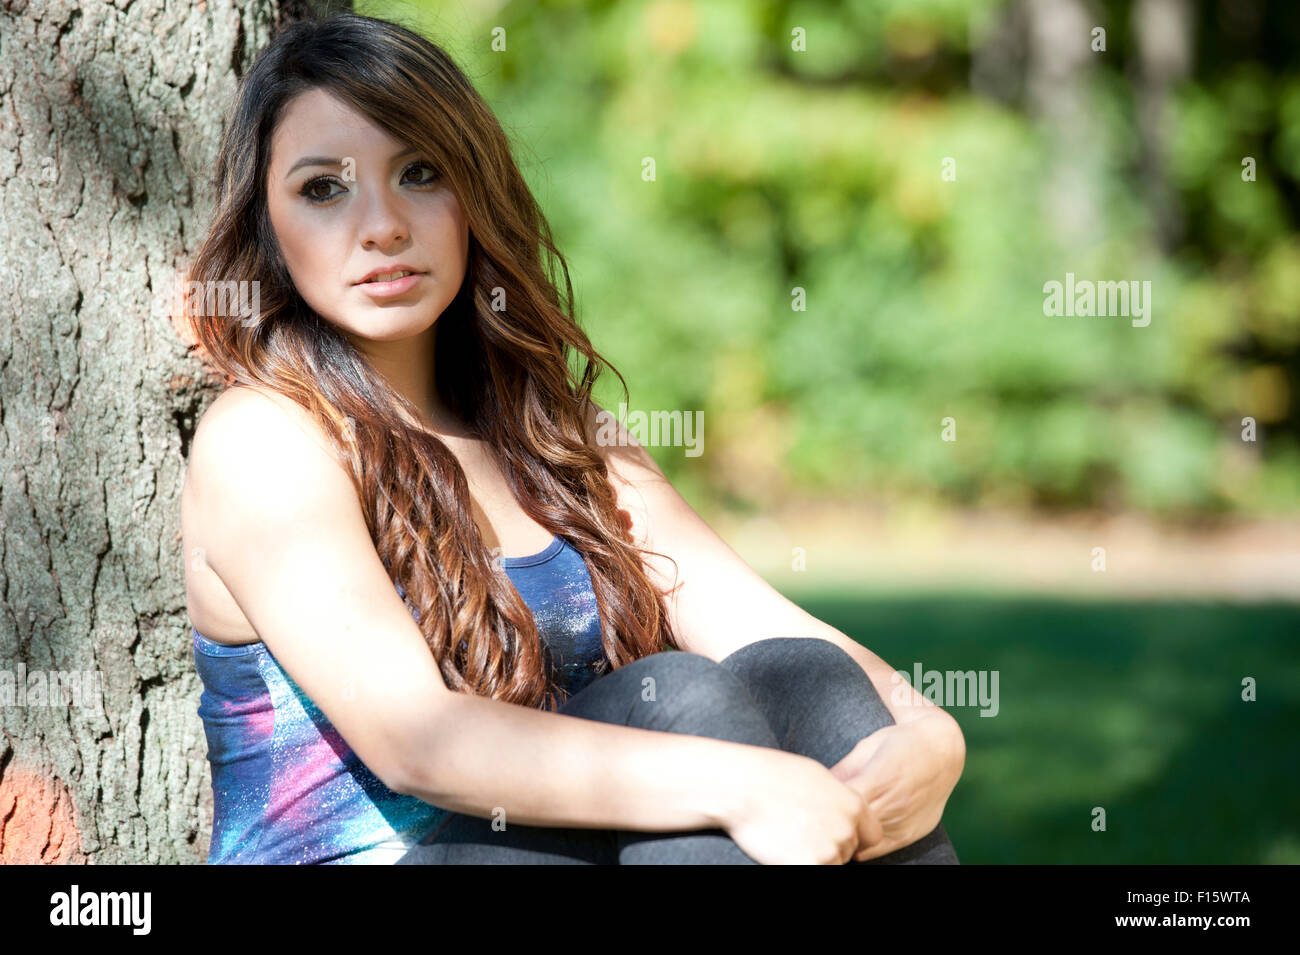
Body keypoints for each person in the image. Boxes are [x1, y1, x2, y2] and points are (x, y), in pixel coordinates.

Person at [180, 13, 964, 865]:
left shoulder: (556, 435)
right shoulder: (264, 441)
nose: (382, 226)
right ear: (266, 225)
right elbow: (418, 742)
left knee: (806, 680)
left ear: (473, 194)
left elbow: (772, 629)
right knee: (682, 703)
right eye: (322, 188)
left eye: (420, 173)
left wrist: (930, 739)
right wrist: (742, 784)